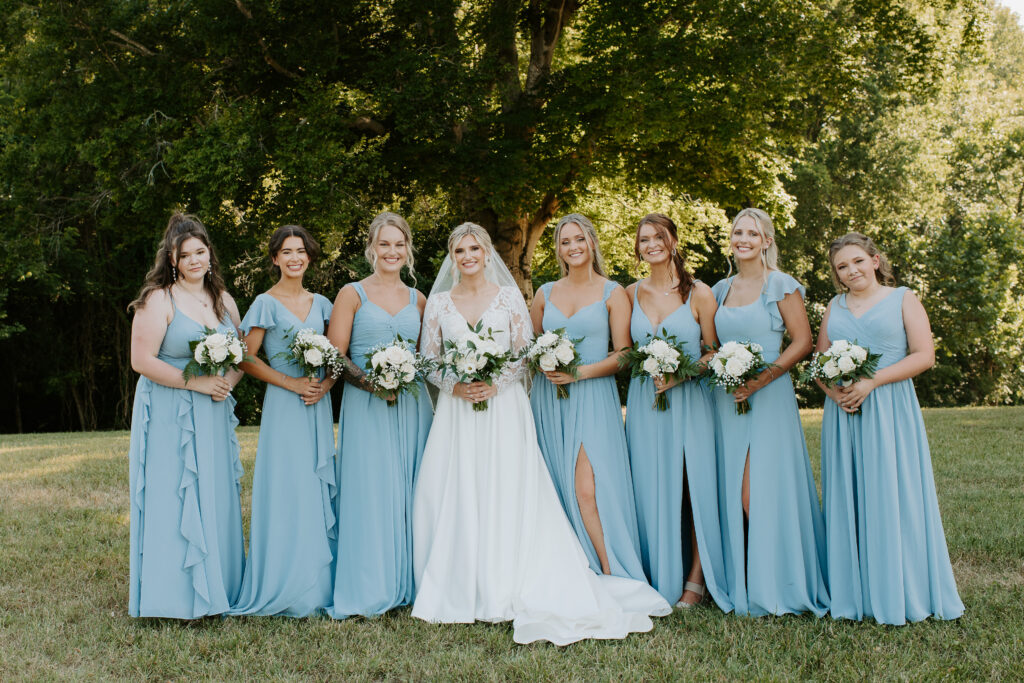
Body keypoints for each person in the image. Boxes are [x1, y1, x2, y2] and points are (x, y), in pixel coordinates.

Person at [411, 222, 670, 646]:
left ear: (488, 251)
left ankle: (511, 576)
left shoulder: (510, 296)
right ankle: (463, 583)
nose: (468, 256)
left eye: (475, 248)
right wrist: (457, 385)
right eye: (460, 251)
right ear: (452, 257)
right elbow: (429, 359)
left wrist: (496, 381)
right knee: (459, 488)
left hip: (505, 406)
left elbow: (523, 352)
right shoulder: (439, 304)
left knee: (509, 487)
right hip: (457, 412)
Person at [817, 232, 964, 625]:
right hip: (845, 414)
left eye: (857, 262)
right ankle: (854, 592)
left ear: (875, 260)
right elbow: (819, 363)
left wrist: (872, 382)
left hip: (890, 410)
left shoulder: (903, 298)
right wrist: (836, 395)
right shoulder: (834, 306)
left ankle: (903, 588)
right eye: (842, 267)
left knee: (894, 494)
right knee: (851, 496)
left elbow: (925, 356)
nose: (851, 271)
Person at [710, 208, 829, 616]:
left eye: (752, 233)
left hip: (769, 397)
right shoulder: (720, 288)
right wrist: (722, 367)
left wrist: (761, 378)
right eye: (737, 231)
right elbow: (710, 345)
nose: (743, 238)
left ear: (766, 241)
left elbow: (802, 342)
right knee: (737, 491)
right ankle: (750, 577)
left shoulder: (780, 284)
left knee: (761, 492)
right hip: (728, 400)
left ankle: (781, 583)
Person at [127, 212, 245, 618]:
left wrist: (226, 382)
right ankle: (175, 596)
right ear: (172, 260)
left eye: (200, 251)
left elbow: (241, 356)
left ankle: (220, 586)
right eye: (185, 254)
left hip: (212, 410)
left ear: (210, 253)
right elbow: (141, 361)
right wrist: (195, 383)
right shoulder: (159, 299)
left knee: (212, 492)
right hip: (169, 412)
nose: (195, 259)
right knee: (175, 493)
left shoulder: (224, 300)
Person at [529, 214, 647, 582]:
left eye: (579, 239)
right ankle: (571, 568)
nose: (573, 247)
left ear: (592, 243)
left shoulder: (613, 292)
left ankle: (611, 570)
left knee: (587, 489)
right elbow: (531, 348)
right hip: (550, 402)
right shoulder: (544, 293)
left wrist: (577, 372)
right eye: (565, 242)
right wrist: (545, 363)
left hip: (593, 397)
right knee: (556, 486)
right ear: (558, 250)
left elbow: (625, 354)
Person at [328, 212, 433, 619]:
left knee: (412, 487)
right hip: (366, 404)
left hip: (412, 405)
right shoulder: (352, 294)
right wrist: (374, 385)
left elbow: (426, 357)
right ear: (372, 248)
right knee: (369, 489)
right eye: (384, 244)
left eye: (399, 244)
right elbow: (335, 357)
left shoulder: (418, 300)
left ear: (408, 249)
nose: (392, 251)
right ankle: (370, 585)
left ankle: (411, 583)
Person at [227, 225, 335, 617]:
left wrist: (324, 386)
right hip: (285, 405)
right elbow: (246, 357)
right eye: (286, 252)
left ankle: (320, 584)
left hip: (316, 404)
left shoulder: (323, 303)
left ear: (309, 256)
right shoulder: (264, 304)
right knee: (289, 485)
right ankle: (285, 583)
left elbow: (335, 356)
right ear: (275, 259)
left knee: (314, 482)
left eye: (301, 251)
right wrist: (290, 381)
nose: (294, 258)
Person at [624, 213, 730, 610]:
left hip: (688, 401)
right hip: (644, 402)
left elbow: (714, 351)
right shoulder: (629, 293)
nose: (651, 244)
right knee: (651, 486)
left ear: (673, 241)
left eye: (658, 236)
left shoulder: (699, 293)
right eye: (644, 239)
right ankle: (657, 572)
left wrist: (680, 375)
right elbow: (622, 349)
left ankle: (694, 583)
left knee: (694, 487)